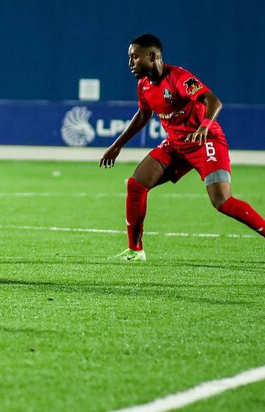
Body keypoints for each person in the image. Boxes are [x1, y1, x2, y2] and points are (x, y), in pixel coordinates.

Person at [99, 33, 265, 261]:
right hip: (176, 145)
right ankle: (135, 251)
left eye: (135, 57)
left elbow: (213, 101)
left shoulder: (179, 77)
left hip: (205, 141)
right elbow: (143, 115)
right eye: (129, 58)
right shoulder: (144, 85)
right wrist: (117, 146)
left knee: (222, 201)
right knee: (136, 185)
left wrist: (205, 126)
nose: (130, 63)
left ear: (152, 55)